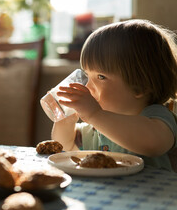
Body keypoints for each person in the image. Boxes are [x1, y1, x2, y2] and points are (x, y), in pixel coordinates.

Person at [51, 19, 177, 171]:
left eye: (101, 77)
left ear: (140, 87)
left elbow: (153, 144)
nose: (88, 87)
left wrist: (94, 114)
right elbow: (65, 146)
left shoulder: (157, 118)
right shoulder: (96, 126)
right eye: (87, 75)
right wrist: (65, 120)